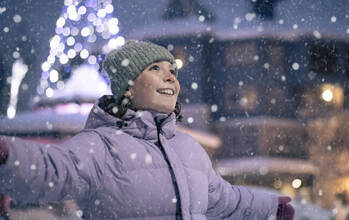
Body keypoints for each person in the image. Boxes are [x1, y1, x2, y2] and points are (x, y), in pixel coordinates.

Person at [0, 40, 294, 219]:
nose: (170, 77)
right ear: (127, 87)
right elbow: (52, 169)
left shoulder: (188, 148)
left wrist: (271, 206)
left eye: (173, 71)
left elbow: (223, 198)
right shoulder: (101, 146)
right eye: (155, 69)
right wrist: (7, 156)